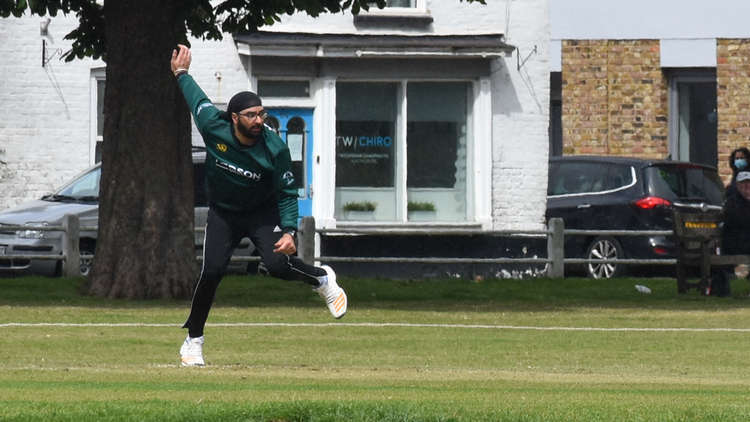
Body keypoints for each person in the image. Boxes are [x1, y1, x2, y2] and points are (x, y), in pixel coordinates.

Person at [170, 45, 347, 367]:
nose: (259, 120)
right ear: (235, 117)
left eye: (261, 114)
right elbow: (197, 100)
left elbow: (287, 191)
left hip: (262, 213)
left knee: (278, 267)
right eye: (251, 115)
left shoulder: (275, 148)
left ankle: (321, 279)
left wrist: (290, 230)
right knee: (210, 272)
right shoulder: (214, 127)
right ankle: (193, 341)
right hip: (223, 213)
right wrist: (181, 73)